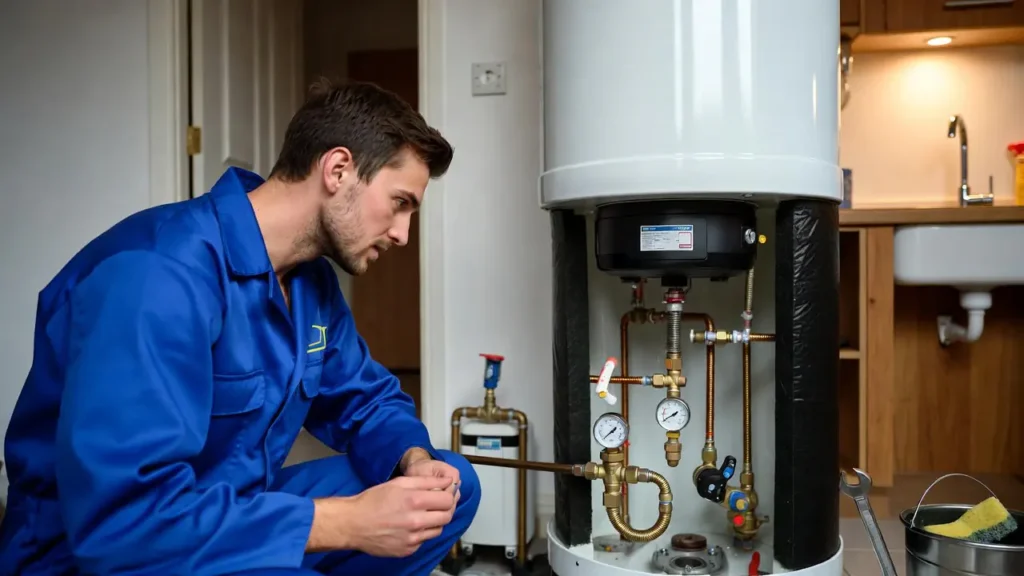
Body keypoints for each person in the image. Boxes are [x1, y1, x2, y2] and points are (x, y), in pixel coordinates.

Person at [0, 80, 480, 575]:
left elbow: (367, 400)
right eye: (400, 202)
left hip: (230, 512)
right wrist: (347, 523)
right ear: (338, 170)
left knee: (446, 491)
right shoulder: (156, 276)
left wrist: (415, 461)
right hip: (109, 552)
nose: (403, 235)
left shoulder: (309, 280)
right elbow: (124, 524)